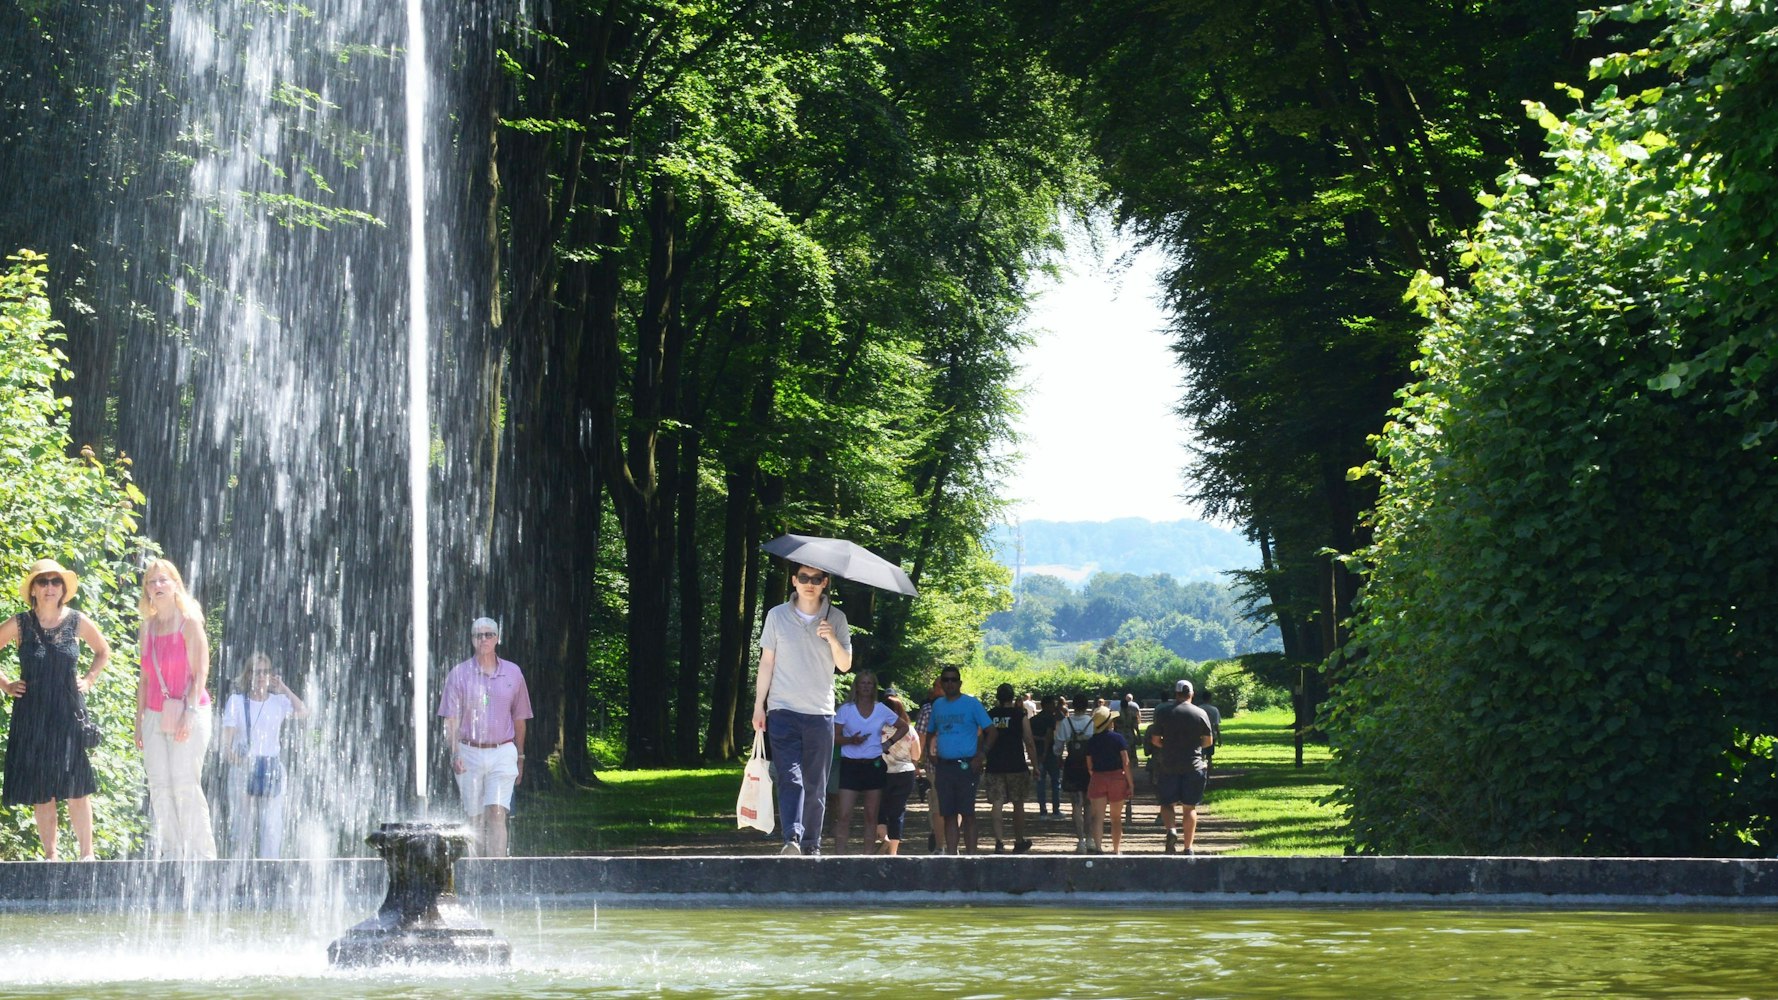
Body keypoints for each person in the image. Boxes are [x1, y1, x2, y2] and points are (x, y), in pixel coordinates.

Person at [0, 559, 112, 860]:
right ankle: (51, 856)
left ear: (63, 588)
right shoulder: (20, 623)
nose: (50, 587)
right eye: (43, 582)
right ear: (33, 589)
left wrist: (89, 679)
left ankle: (87, 855)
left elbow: (103, 651)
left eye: (55, 582)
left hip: (67, 713)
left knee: (76, 785)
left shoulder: (76, 620)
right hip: (32, 714)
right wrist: (6, 684)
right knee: (42, 787)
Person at [752, 564, 852, 856]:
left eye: (816, 578)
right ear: (794, 581)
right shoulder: (776, 615)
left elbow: (845, 665)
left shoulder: (837, 618)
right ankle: (792, 839)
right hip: (782, 710)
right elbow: (767, 662)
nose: (810, 583)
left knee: (816, 783)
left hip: (820, 713)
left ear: (825, 583)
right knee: (789, 777)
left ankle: (812, 845)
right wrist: (760, 705)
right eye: (804, 578)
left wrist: (832, 638)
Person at [134, 557, 218, 860]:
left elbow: (202, 672)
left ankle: (202, 857)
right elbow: (144, 679)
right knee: (159, 785)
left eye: (162, 580)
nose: (156, 586)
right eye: (151, 582)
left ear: (174, 584)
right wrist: (138, 721)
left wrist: (189, 713)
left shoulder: (189, 622)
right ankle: (171, 854)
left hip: (190, 709)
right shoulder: (147, 629)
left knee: (184, 783)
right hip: (154, 715)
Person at [439, 617, 533, 857]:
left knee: (497, 812)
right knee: (475, 817)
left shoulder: (513, 672)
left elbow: (520, 718)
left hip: (503, 750)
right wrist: (455, 752)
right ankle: (476, 873)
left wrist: (520, 757)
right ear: (471, 639)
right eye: (478, 635)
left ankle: (497, 871)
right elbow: (451, 719)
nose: (484, 639)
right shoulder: (459, 674)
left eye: (489, 634)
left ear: (498, 638)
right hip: (469, 750)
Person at [220, 651, 309, 858]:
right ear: (248, 675)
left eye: (266, 672)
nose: (261, 676)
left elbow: (303, 711)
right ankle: (238, 880)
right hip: (244, 769)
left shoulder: (278, 701)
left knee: (271, 828)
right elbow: (228, 737)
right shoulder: (236, 701)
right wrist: (230, 753)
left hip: (272, 769)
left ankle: (270, 876)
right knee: (241, 830)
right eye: (257, 672)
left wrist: (284, 688)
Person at [920, 666, 991, 855]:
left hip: (967, 765)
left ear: (959, 682)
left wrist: (981, 755)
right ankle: (952, 856)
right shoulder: (937, 705)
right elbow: (930, 731)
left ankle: (971, 856)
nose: (950, 683)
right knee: (948, 814)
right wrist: (931, 753)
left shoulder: (972, 704)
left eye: (953, 679)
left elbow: (991, 731)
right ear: (941, 683)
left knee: (968, 813)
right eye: (946, 679)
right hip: (944, 766)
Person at [832, 671, 904, 854]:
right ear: (856, 686)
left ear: (874, 687)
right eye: (862, 683)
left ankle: (868, 858)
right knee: (844, 814)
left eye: (869, 683)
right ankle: (839, 856)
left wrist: (888, 743)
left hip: (874, 765)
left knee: (872, 816)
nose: (865, 686)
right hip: (850, 765)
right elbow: (834, 736)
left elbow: (903, 726)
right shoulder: (846, 709)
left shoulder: (881, 709)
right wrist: (850, 741)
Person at [1149, 679, 1215, 854]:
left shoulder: (1164, 713)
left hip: (1168, 765)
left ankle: (1171, 829)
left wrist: (1169, 746)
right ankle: (1188, 847)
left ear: (1176, 694)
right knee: (1189, 807)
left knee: (1166, 803)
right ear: (1191, 694)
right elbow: (1208, 741)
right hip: (1193, 765)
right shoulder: (1200, 713)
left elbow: (1155, 740)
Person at [982, 682, 1036, 854]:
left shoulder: (989, 715)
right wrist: (1035, 765)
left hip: (994, 764)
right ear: (1012, 697)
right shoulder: (1020, 715)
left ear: (997, 697)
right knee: (1018, 804)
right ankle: (1019, 841)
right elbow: (1029, 741)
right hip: (1016, 765)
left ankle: (999, 842)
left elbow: (981, 738)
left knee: (997, 803)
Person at [876, 689, 921, 854]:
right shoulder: (909, 729)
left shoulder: (878, 729)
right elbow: (916, 755)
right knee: (898, 810)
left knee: (880, 806)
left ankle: (883, 837)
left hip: (884, 771)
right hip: (905, 772)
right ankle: (893, 851)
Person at [1084, 706, 1134, 854]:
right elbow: (1126, 762)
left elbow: (1089, 765)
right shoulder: (1118, 738)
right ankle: (1116, 849)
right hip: (1117, 778)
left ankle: (1098, 848)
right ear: (1109, 722)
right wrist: (1130, 784)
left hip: (1098, 777)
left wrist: (1095, 774)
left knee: (1097, 817)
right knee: (1116, 818)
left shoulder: (1092, 741)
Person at [1054, 694, 1095, 852]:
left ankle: (1080, 841)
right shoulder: (1091, 722)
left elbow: (1058, 746)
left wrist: (1058, 756)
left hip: (1072, 765)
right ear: (1086, 706)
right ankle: (1090, 837)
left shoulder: (1066, 722)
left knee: (1076, 804)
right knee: (1089, 803)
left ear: (1073, 706)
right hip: (1089, 766)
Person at [1030, 695, 1062, 817]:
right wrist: (1045, 749)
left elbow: (1029, 736)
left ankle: (1043, 810)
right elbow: (1049, 736)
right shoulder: (1050, 719)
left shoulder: (1033, 720)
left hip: (1037, 754)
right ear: (1048, 705)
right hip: (1050, 754)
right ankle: (1056, 809)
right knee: (1055, 782)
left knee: (1040, 783)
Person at [1194, 687, 1223, 769]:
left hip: (1199, 735)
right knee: (1209, 757)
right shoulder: (1214, 710)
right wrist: (1219, 738)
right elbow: (1216, 725)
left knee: (1201, 756)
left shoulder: (1198, 709)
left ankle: (1201, 774)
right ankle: (1209, 776)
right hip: (1211, 735)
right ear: (1210, 698)